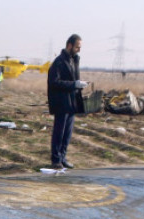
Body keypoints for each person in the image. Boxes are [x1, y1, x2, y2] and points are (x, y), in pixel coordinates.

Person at [47, 34, 86, 169]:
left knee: (67, 133)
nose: (78, 50)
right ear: (69, 45)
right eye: (77, 47)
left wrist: (79, 86)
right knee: (59, 132)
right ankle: (56, 159)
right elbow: (54, 82)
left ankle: (63, 157)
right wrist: (74, 84)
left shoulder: (74, 60)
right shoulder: (59, 62)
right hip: (61, 103)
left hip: (71, 103)